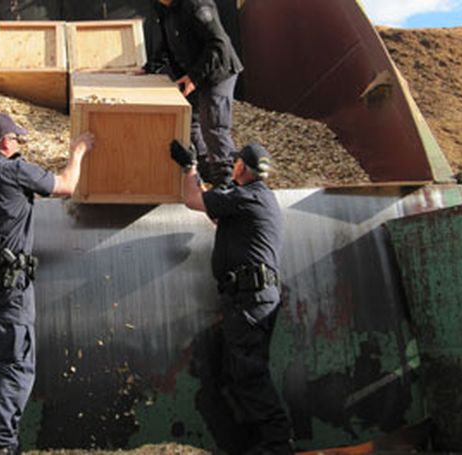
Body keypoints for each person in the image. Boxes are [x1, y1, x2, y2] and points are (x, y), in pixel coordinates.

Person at [0, 112, 94, 455]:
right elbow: (65, 186)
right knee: (15, 363)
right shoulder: (12, 169)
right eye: (17, 140)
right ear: (5, 143)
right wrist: (77, 152)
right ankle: (1, 447)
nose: (20, 147)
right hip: (5, 283)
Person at [170, 140, 293, 454]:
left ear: (242, 167)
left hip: (250, 299)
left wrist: (188, 167)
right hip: (249, 297)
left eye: (237, 161)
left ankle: (278, 445)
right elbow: (212, 210)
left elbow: (193, 200)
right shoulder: (252, 199)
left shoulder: (247, 198)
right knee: (237, 373)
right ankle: (258, 443)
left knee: (249, 373)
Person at [146, 0, 244, 187]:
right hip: (193, 73)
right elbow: (165, 43)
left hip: (218, 72)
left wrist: (193, 77)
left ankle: (228, 186)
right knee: (189, 123)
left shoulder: (197, 4)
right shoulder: (163, 8)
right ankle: (207, 173)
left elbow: (218, 43)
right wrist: (149, 67)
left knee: (214, 129)